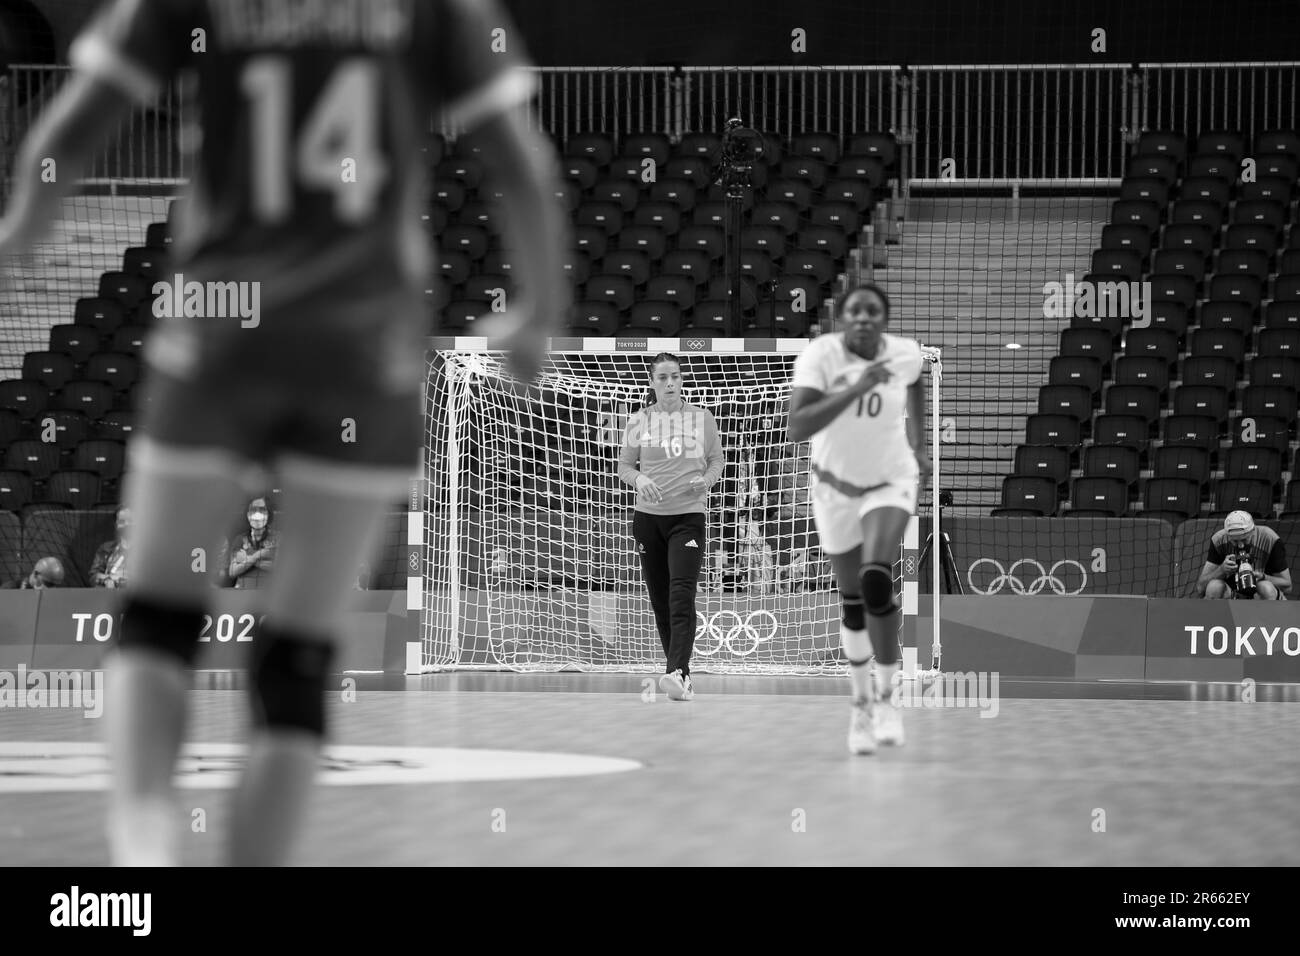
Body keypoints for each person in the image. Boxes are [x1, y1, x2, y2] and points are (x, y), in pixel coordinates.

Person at [0, 0, 568, 865]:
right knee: (297, 659)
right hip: (361, 347)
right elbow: (518, 161)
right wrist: (535, 312)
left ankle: (146, 844)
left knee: (154, 617)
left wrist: (20, 236)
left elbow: (76, 125)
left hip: (223, 326)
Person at [787, 283, 930, 755]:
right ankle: (860, 704)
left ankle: (889, 699)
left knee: (875, 581)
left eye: (873, 311)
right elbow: (798, 426)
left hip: (891, 481)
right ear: (841, 320)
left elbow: (914, 382)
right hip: (833, 488)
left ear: (884, 320)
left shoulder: (905, 354)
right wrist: (858, 387)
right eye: (855, 311)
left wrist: (919, 444)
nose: (864, 318)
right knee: (852, 602)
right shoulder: (820, 359)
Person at [618, 353, 724, 701]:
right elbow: (625, 466)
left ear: (682, 380)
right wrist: (640, 479)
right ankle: (682, 677)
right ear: (652, 382)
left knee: (681, 594)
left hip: (687, 517)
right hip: (648, 520)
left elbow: (716, 459)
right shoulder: (639, 421)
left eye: (675, 376)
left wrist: (706, 481)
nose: (669, 383)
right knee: (660, 601)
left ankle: (675, 670)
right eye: (662, 377)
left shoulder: (701, 417)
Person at [1196, 510, 1290, 600]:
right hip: (1231, 596)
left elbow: (1288, 586)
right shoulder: (1219, 540)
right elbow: (1200, 588)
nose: (1241, 545)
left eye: (1244, 540)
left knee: (1266, 587)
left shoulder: (1269, 538)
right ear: (1227, 536)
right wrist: (1221, 570)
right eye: (1235, 541)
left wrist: (1263, 577)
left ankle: (1267, 616)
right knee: (1214, 587)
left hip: (1260, 597)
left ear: (1253, 531)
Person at [222, 497, 280, 589]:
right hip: (243, 591)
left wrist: (248, 559)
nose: (257, 514)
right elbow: (233, 571)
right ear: (248, 515)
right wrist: (259, 555)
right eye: (253, 510)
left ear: (269, 514)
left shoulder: (278, 538)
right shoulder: (240, 539)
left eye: (262, 510)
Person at [90, 506, 131, 588]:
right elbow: (93, 577)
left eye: (130, 521)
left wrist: (118, 581)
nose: (126, 524)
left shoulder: (148, 551)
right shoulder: (105, 549)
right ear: (116, 524)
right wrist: (105, 580)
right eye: (121, 521)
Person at [1, 556, 66, 589]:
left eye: (53, 585)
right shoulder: (10, 588)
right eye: (47, 583)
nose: (48, 588)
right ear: (36, 574)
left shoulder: (53, 600)